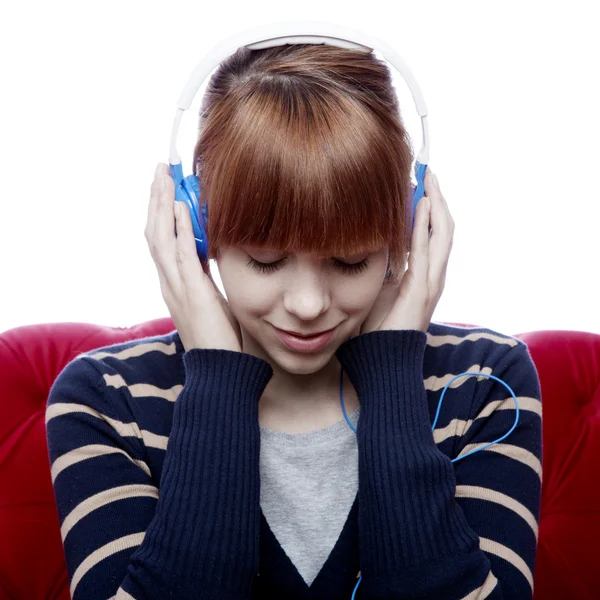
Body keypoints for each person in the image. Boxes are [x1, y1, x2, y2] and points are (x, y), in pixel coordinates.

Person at [46, 43, 542, 600]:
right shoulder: (106, 398)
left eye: (350, 259)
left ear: (405, 230)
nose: (308, 304)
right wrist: (216, 376)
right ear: (195, 227)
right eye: (265, 258)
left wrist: (393, 371)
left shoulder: (484, 382)